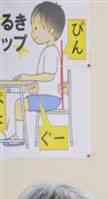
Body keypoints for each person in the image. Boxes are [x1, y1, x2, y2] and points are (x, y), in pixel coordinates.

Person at [3, 1, 65, 146]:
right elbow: (46, 79)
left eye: (36, 28)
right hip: (46, 96)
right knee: (19, 101)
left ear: (50, 30)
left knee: (19, 104)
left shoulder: (51, 51)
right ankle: (18, 135)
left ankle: (19, 136)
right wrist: (33, 85)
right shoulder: (48, 50)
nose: (32, 32)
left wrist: (28, 77)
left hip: (50, 99)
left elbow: (49, 76)